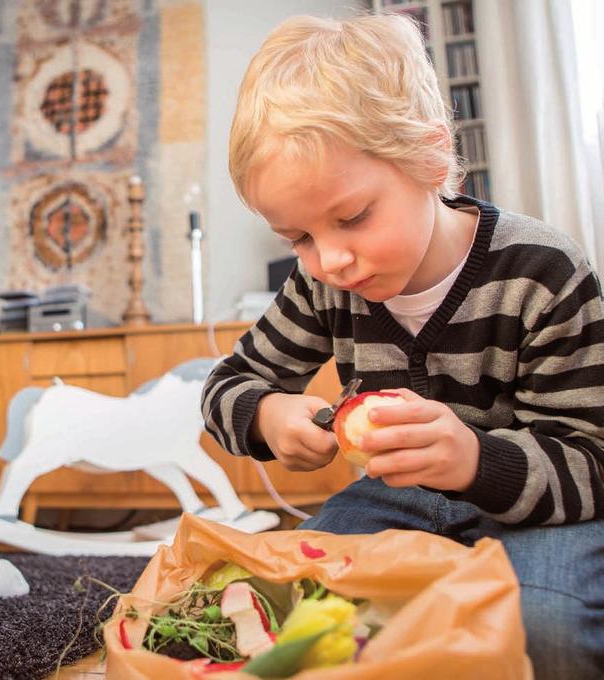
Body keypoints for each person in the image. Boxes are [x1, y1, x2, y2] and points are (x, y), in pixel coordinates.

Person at [202, 13, 604, 680]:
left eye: (353, 217)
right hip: (394, 502)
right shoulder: (323, 286)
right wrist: (266, 416)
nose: (328, 259)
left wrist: (478, 460)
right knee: (293, 611)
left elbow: (593, 463)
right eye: (297, 238)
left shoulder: (543, 273)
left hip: (539, 515)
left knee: (543, 630)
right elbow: (227, 384)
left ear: (431, 157)